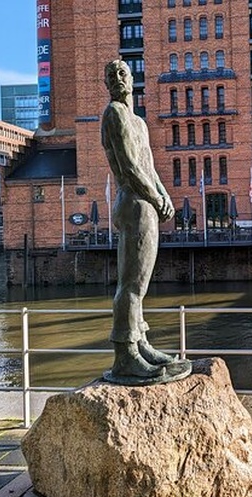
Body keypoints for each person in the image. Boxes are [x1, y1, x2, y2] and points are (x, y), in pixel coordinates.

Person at [101, 59, 190, 384]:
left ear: (133, 78)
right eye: (111, 75)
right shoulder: (115, 114)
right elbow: (128, 167)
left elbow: (148, 166)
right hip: (134, 202)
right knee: (131, 285)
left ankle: (140, 343)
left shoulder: (139, 122)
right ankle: (125, 354)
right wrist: (156, 197)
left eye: (122, 73)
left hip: (146, 202)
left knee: (140, 285)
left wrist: (164, 194)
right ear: (107, 84)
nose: (117, 78)